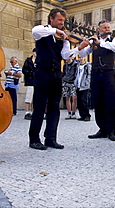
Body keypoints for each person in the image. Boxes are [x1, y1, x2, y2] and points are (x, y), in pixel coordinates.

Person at [29, 8, 89, 150]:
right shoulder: (43, 31)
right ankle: (34, 139)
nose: (62, 23)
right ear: (51, 19)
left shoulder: (63, 39)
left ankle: (50, 138)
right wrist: (55, 31)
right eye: (59, 20)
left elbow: (65, 55)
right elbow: (34, 31)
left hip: (56, 74)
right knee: (39, 106)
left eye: (63, 20)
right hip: (42, 72)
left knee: (54, 107)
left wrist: (78, 48)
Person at [78, 20, 115, 141]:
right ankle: (102, 129)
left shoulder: (114, 40)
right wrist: (84, 44)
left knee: (110, 101)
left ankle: (111, 130)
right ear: (99, 29)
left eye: (108, 27)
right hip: (96, 73)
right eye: (104, 28)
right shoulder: (94, 42)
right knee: (98, 102)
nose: (107, 29)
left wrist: (100, 42)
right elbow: (84, 52)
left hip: (108, 73)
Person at [75, 56, 92, 121]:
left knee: (83, 100)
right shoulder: (77, 66)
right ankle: (82, 114)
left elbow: (89, 74)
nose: (80, 59)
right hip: (78, 85)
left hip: (84, 85)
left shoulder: (87, 65)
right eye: (79, 57)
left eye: (81, 57)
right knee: (79, 101)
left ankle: (87, 115)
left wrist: (87, 82)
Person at [22, 48, 37, 120]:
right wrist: (30, 73)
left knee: (34, 97)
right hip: (30, 80)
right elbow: (24, 70)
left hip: (36, 81)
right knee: (28, 97)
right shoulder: (28, 61)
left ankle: (33, 111)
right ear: (33, 53)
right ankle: (27, 112)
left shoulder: (38, 61)